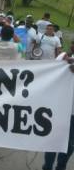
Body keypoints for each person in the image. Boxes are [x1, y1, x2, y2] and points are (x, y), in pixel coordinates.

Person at [42, 40, 74, 170]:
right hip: (59, 107)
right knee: (53, 140)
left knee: (70, 143)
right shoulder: (62, 56)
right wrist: (63, 64)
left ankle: (61, 166)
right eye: (73, 43)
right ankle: (47, 166)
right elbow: (52, 75)